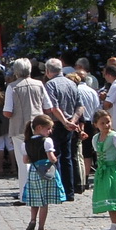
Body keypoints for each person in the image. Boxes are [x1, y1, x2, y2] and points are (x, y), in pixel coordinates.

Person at [4, 58, 52, 202]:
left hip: (20, 128)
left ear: (16, 71)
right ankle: (42, 190)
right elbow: (48, 107)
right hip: (38, 127)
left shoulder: (12, 87)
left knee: (23, 161)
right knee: (40, 159)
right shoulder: (39, 85)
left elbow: (8, 111)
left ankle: (25, 194)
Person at [41, 59, 84, 197]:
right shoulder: (71, 83)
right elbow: (80, 106)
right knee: (68, 157)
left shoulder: (50, 84)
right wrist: (73, 120)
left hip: (57, 123)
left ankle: (58, 191)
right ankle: (69, 191)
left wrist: (65, 121)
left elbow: (53, 107)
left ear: (48, 71)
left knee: (55, 156)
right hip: (70, 123)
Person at [21, 115, 67, 230]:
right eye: (48, 128)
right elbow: (51, 158)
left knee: (35, 200)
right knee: (44, 202)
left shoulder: (26, 143)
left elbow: (25, 160)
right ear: (39, 127)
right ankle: (41, 228)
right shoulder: (47, 141)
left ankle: (32, 220)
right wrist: (55, 159)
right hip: (45, 171)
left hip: (33, 171)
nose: (50, 131)